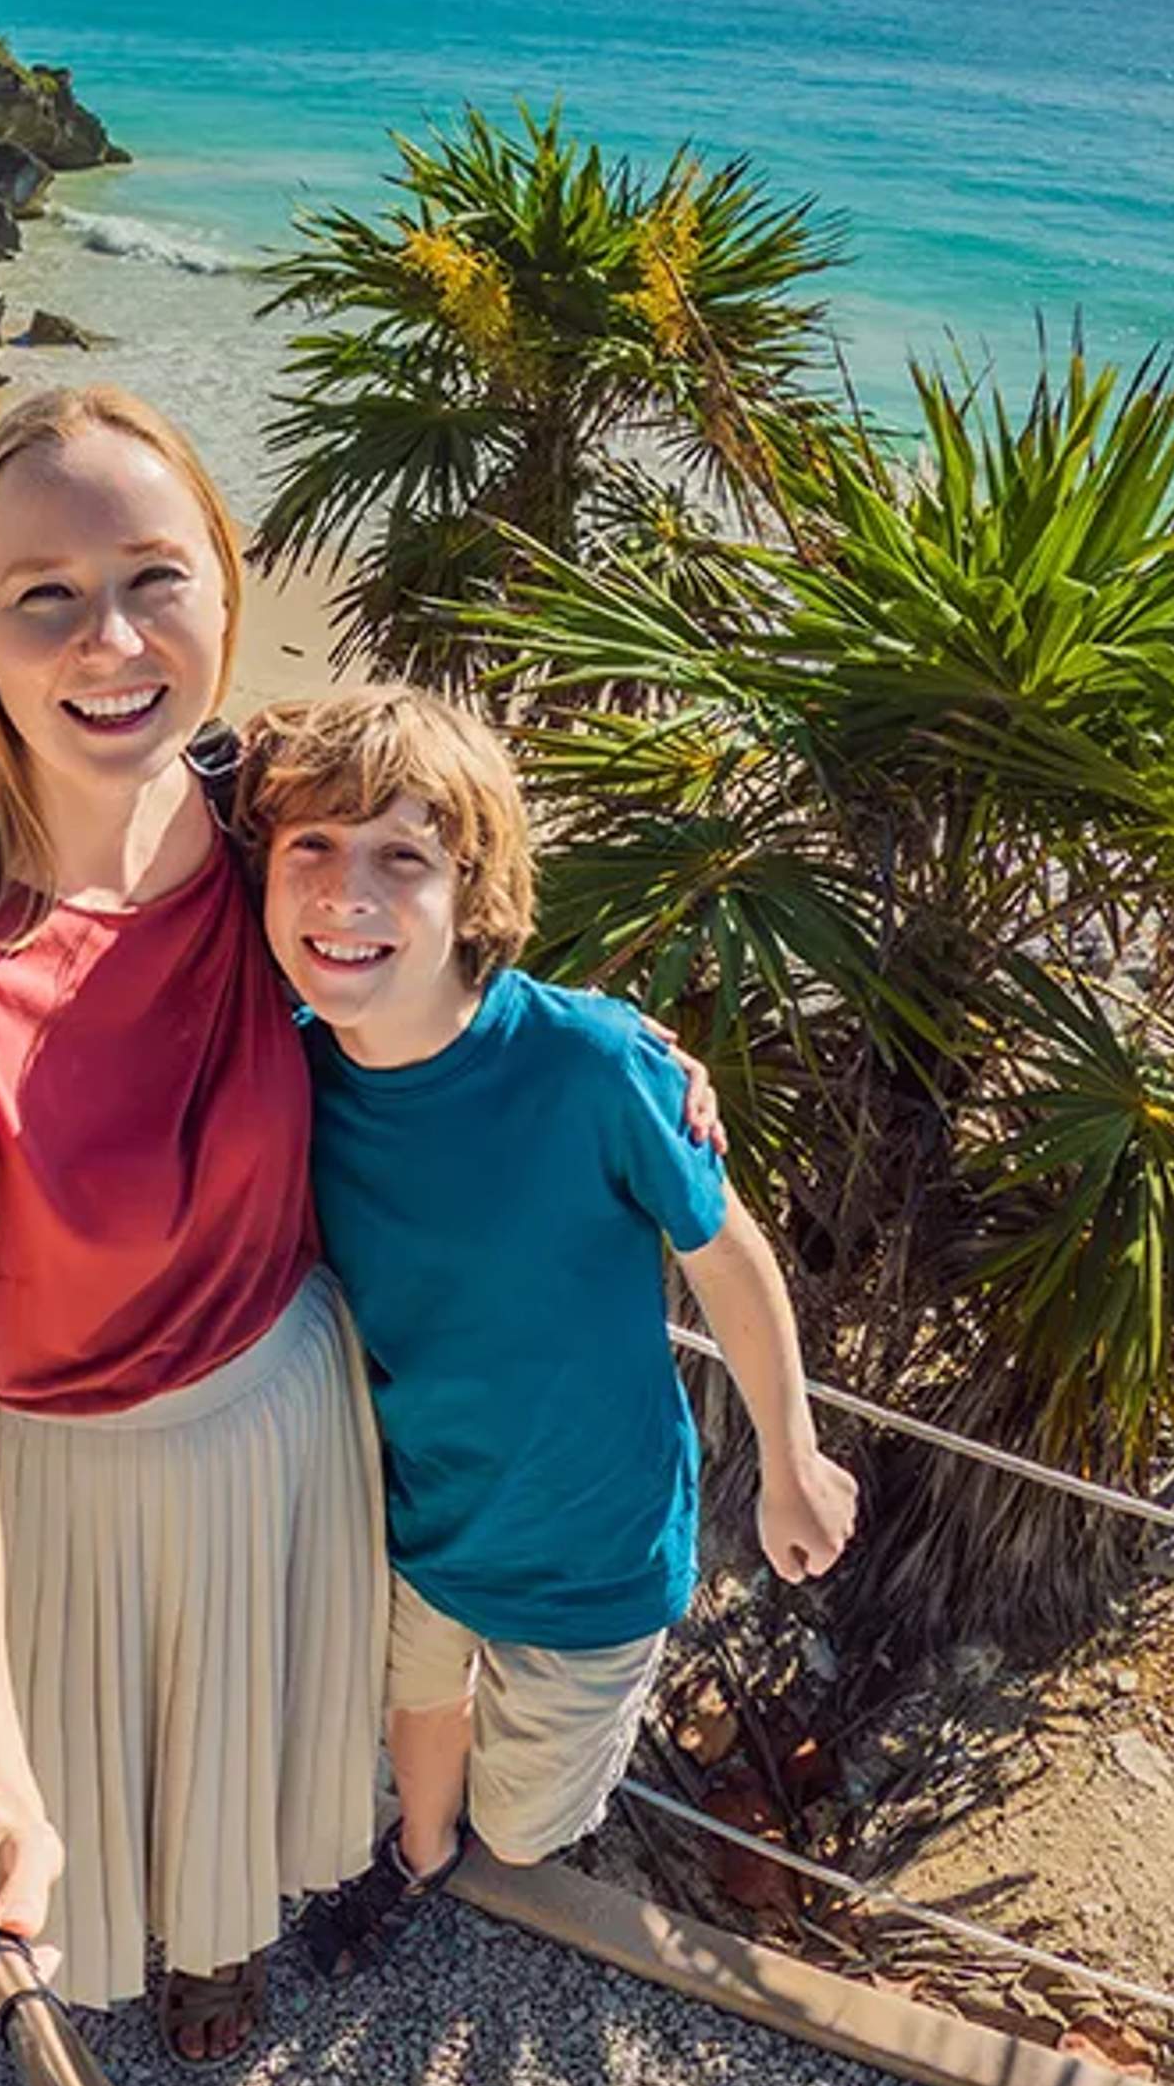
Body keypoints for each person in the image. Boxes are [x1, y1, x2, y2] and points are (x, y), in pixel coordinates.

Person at [0, 387, 722, 2065]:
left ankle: (216, 1950)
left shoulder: (260, 810)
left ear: (230, 595)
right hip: (74, 1469)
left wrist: (611, 1041)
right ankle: (140, 1923)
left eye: (157, 577)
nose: (113, 638)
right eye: (45, 595)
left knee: (249, 1751)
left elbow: (443, 883)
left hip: (288, 1407)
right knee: (103, 1768)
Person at [236, 685, 858, 1977]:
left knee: (527, 1826)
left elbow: (729, 1255)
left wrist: (792, 1458)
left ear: (474, 893)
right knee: (420, 1701)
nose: (347, 892)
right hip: (416, 1511)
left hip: (591, 1546)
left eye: (401, 858)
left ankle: (480, 1841)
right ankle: (415, 1858)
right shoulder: (287, 1060)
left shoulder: (596, 1064)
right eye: (312, 848)